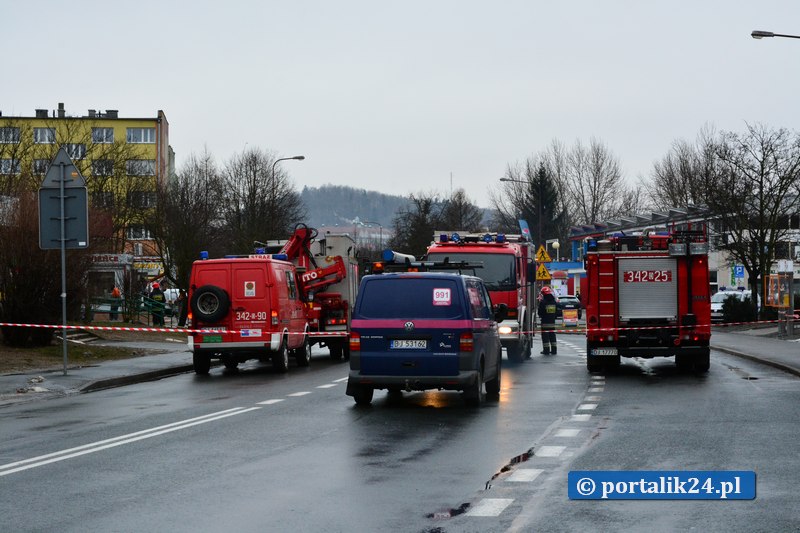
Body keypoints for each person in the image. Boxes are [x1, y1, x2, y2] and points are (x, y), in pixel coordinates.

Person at [538, 285, 558, 355]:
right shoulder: (554, 301)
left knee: (545, 337)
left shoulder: (543, 302)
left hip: (545, 323)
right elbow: (556, 312)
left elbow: (540, 312)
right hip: (552, 323)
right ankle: (554, 350)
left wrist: (542, 316)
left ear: (543, 294)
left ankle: (546, 351)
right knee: (552, 336)